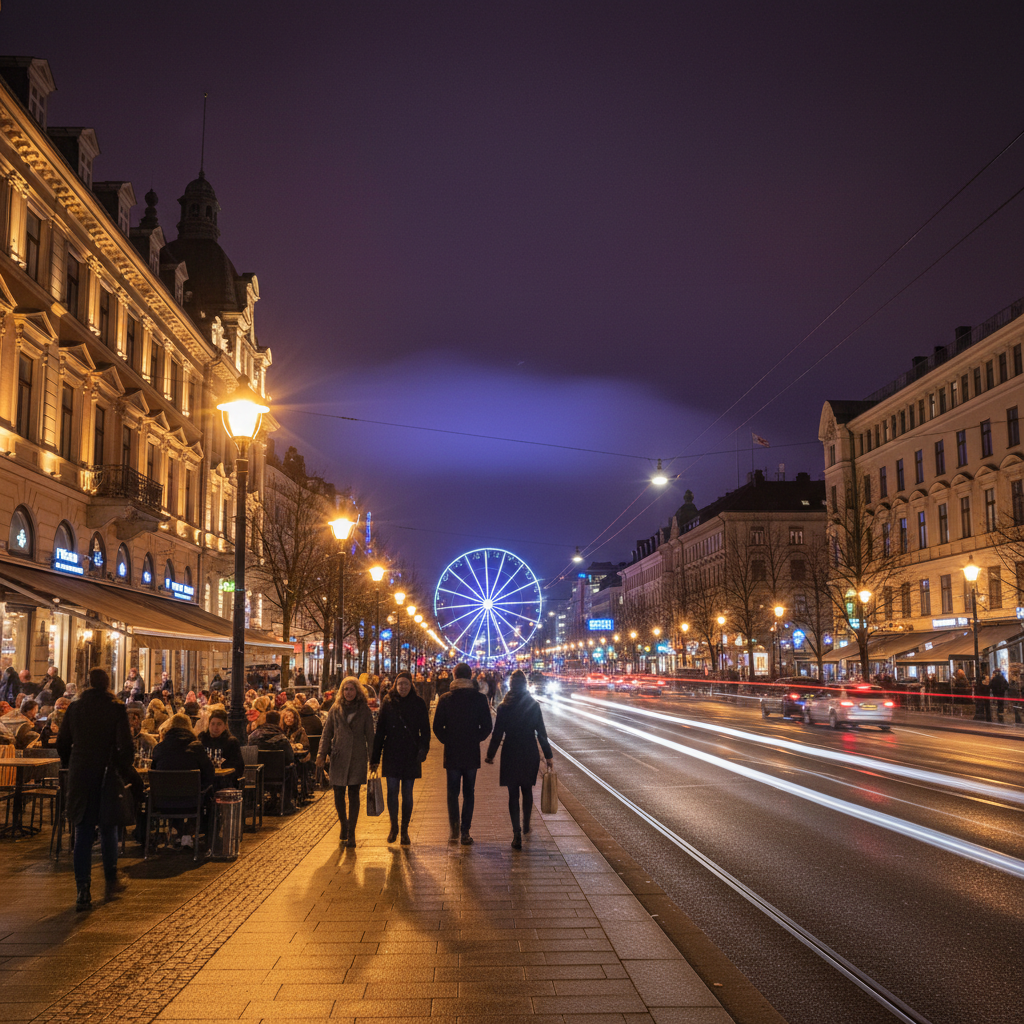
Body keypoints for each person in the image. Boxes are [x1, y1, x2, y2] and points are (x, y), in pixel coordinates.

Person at [56, 667, 138, 910]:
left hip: (81, 774)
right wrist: (121, 770)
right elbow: (126, 745)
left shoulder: (75, 707)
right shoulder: (115, 707)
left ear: (87, 683)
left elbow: (62, 742)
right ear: (108, 683)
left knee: (82, 830)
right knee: (107, 827)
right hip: (106, 772)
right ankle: (111, 878)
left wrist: (72, 763)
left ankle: (83, 887)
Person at [485, 670, 554, 849]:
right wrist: (548, 756)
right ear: (525, 685)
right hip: (529, 750)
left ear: (511, 685)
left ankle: (516, 833)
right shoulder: (533, 705)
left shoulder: (503, 706)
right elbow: (541, 733)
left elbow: (497, 733)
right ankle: (526, 824)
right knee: (527, 790)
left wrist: (490, 755)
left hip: (510, 751)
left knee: (513, 794)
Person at [432, 662, 493, 845]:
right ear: (471, 676)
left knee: (452, 792)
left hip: (452, 751)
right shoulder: (480, 699)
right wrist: (475, 738)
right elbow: (488, 727)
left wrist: (448, 740)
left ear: (454, 675)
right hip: (471, 752)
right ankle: (465, 831)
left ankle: (454, 829)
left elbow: (436, 727)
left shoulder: (445, 698)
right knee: (469, 792)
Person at [370, 671, 430, 845]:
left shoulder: (418, 703)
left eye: (406, 684)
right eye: (400, 684)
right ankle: (393, 826)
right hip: (392, 752)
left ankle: (404, 830)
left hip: (411, 754)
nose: (403, 687)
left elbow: (425, 730)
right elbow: (380, 731)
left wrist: (423, 749)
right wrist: (375, 758)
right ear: (396, 685)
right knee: (392, 791)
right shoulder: (388, 703)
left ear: (411, 685)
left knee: (407, 793)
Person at [317, 676, 375, 846]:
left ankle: (351, 833)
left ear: (357, 691)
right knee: (338, 794)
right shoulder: (335, 709)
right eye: (346, 689)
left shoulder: (364, 710)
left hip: (357, 756)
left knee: (354, 794)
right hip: (339, 756)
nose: (348, 692)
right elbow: (327, 733)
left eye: (351, 689)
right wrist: (321, 754)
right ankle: (344, 823)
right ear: (342, 691)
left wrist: (373, 759)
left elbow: (370, 736)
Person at [151, 714, 216, 849]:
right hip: (191, 802)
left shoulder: (159, 748)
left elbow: (154, 773)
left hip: (162, 802)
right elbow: (209, 772)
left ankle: (175, 832)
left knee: (173, 789)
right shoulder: (196, 747)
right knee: (207, 793)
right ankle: (193, 834)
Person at [197, 709, 245, 786]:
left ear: (225, 726)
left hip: (225, 781)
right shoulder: (202, 739)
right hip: (205, 780)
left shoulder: (231, 742)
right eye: (213, 724)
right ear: (209, 725)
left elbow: (238, 766)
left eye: (219, 724)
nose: (215, 727)